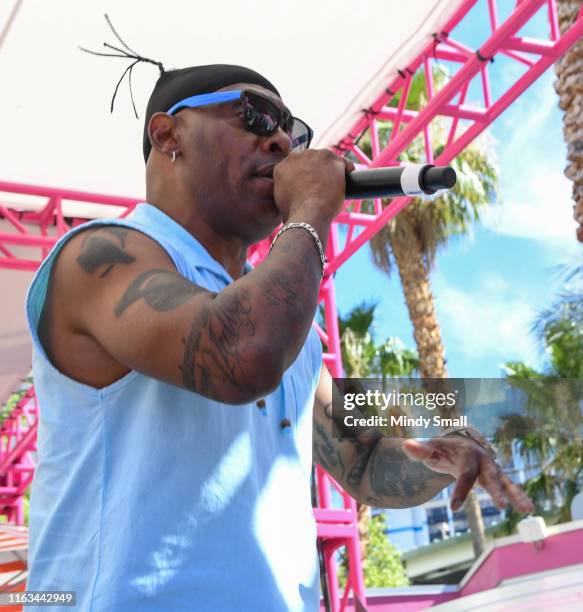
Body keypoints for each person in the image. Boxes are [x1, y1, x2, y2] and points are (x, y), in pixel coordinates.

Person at [24, 63, 533, 611]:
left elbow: (364, 460)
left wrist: (438, 459)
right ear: (168, 134)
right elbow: (239, 354)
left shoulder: (296, 334)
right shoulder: (100, 256)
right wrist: (311, 209)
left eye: (294, 132)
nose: (282, 141)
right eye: (255, 117)